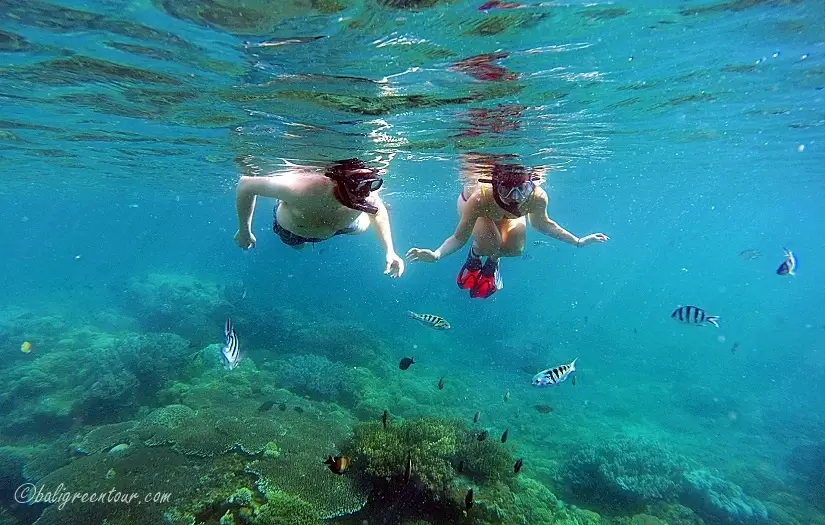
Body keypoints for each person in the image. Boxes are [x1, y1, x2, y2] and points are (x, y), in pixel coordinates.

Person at [405, 154, 608, 298]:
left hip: (504, 216)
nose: (515, 198)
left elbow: (543, 224)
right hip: (480, 211)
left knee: (515, 249)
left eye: (522, 190)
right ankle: (475, 255)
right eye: (506, 190)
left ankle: (493, 261)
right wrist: (437, 254)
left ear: (531, 185)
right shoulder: (480, 198)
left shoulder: (536, 197)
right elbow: (459, 237)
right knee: (491, 243)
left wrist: (578, 241)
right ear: (495, 185)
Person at [234, 157, 405, 278]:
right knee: (297, 246)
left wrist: (390, 250)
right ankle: (282, 201)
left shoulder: (366, 194)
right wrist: (244, 231)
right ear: (337, 182)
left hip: (341, 226)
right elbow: (246, 184)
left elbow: (378, 211)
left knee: (364, 225)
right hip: (294, 230)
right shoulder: (301, 188)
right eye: (355, 191)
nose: (362, 197)